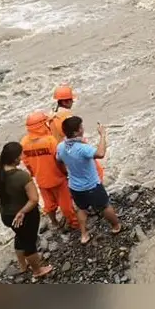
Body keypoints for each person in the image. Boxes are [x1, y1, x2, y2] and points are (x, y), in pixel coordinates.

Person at [0, 142, 54, 279]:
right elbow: (34, 199)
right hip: (24, 215)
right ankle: (38, 270)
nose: (22, 156)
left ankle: (22, 265)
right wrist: (22, 212)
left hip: (6, 215)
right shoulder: (21, 176)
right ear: (15, 159)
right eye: (21, 154)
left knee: (19, 236)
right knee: (29, 242)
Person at [56, 116, 122, 244]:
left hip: (75, 186)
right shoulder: (82, 148)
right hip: (91, 185)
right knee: (105, 206)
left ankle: (84, 235)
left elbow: (58, 159)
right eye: (81, 127)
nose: (83, 128)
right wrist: (102, 135)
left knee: (81, 208)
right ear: (76, 132)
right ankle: (116, 226)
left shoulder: (61, 147)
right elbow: (100, 153)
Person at [21, 110, 79, 231]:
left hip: (41, 180)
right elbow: (59, 160)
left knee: (49, 205)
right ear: (42, 125)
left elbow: (27, 163)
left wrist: (34, 174)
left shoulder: (24, 142)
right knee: (66, 205)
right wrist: (65, 172)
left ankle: (54, 223)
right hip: (57, 178)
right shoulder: (50, 140)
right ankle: (74, 223)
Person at [49, 85, 104, 182]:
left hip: (63, 152)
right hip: (74, 150)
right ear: (65, 101)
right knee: (97, 171)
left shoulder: (52, 116)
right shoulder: (66, 116)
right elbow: (73, 135)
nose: (72, 102)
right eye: (71, 100)